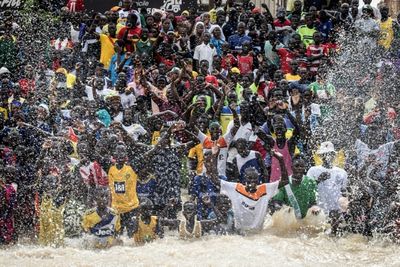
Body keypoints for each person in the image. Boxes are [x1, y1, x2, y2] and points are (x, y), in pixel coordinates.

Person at [208, 148, 289, 232]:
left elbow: (285, 181)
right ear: (244, 180)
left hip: (258, 234)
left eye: (255, 179)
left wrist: (281, 159)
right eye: (249, 178)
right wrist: (214, 156)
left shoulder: (264, 189)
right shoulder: (236, 188)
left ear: (258, 180)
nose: (252, 181)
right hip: (239, 233)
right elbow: (215, 180)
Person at [306, 141, 348, 234]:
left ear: (334, 155)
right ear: (320, 156)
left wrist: (344, 210)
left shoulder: (342, 172)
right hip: (319, 212)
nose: (327, 156)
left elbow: (344, 193)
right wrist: (318, 180)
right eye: (324, 154)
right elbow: (307, 190)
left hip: (335, 213)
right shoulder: (313, 170)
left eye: (330, 154)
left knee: (334, 236)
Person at [108, 144, 139, 237]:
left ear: (126, 155)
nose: (120, 154)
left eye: (122, 152)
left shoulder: (132, 167)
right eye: (118, 152)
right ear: (114, 155)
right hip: (116, 209)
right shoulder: (110, 169)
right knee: (116, 238)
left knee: (132, 237)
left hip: (131, 208)